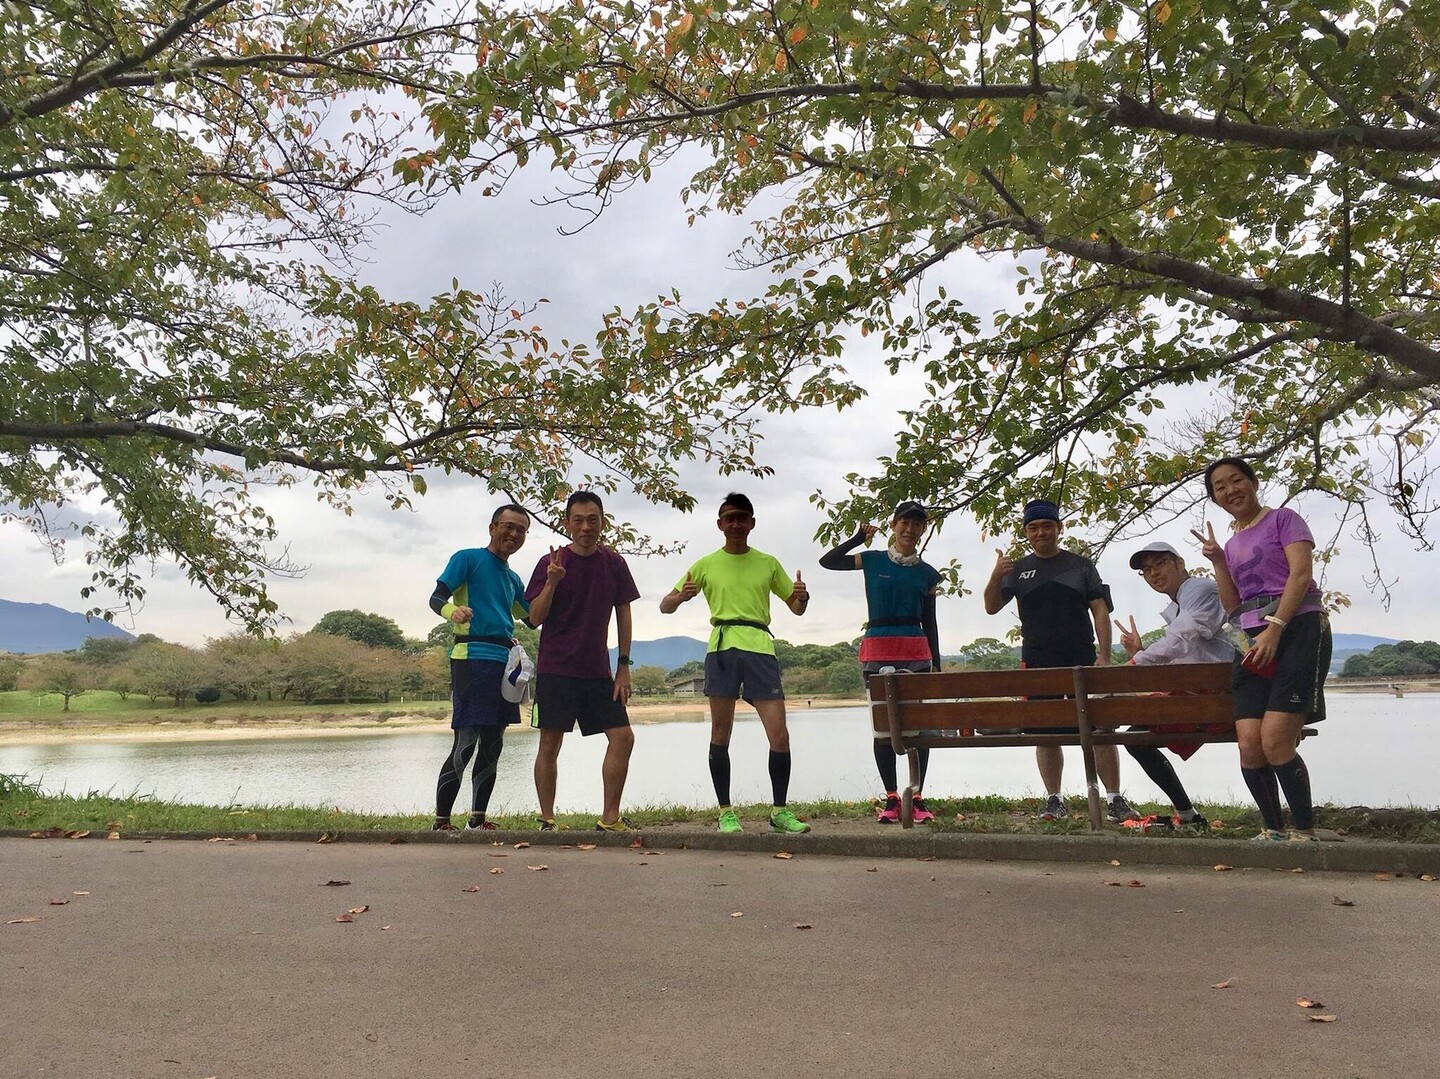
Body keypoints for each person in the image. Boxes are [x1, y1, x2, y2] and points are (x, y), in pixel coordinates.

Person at [1193, 457, 1331, 842]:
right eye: (1220, 487)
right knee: (1250, 744)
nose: (1230, 490)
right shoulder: (1234, 542)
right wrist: (1220, 561)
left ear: (1253, 482)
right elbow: (1232, 607)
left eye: (1237, 480)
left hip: (1296, 627)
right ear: (1215, 498)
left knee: (1275, 739)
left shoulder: (1285, 520)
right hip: (1248, 638)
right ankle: (1273, 831)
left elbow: (1301, 575)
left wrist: (1276, 628)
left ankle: (1305, 831)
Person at [659, 492, 812, 835]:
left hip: (760, 647)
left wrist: (802, 596)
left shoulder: (768, 563)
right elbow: (665, 606)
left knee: (780, 734)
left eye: (742, 518)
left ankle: (780, 811)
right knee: (720, 734)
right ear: (720, 524)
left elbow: (796, 607)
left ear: (752, 523)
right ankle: (726, 812)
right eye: (730, 518)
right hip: (722, 648)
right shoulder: (706, 564)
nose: (736, 524)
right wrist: (681, 597)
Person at [982, 498, 1139, 823]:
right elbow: (991, 607)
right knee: (1045, 732)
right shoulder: (1019, 569)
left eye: (1047, 526)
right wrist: (996, 575)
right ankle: (1054, 800)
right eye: (1034, 528)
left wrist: (1105, 656)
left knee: (1100, 729)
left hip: (1081, 659)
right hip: (1037, 663)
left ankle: (1113, 800)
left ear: (1059, 528)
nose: (1040, 532)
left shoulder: (1081, 566)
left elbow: (1099, 611)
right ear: (1026, 532)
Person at [820, 500, 942, 823]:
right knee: (883, 729)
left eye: (917, 525)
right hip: (877, 652)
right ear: (893, 524)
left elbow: (929, 623)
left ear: (923, 530)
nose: (910, 529)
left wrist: (938, 666)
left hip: (916, 654)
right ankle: (891, 797)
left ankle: (916, 797)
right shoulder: (872, 560)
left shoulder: (928, 574)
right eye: (905, 522)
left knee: (917, 728)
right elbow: (828, 561)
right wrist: (859, 538)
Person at [525, 491, 640, 833]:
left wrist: (624, 666)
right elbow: (534, 617)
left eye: (593, 520)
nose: (586, 527)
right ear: (567, 523)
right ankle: (547, 819)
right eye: (578, 520)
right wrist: (553, 582)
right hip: (555, 669)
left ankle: (610, 818)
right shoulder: (552, 562)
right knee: (550, 742)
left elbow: (624, 612)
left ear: (603, 522)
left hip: (598, 671)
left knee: (623, 738)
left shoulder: (614, 562)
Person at [1113, 540, 1238, 830]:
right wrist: (1139, 652)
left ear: (1180, 563)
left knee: (1133, 735)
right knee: (1135, 735)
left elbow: (1181, 638)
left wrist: (1137, 662)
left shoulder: (1199, 590)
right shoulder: (1181, 603)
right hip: (1207, 696)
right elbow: (1186, 655)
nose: (1154, 573)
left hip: (1219, 698)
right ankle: (1187, 814)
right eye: (1146, 570)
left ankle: (1187, 814)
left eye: (1160, 564)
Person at [428, 504, 533, 831]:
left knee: (494, 741)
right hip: (471, 656)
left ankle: (478, 819)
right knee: (467, 739)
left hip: (504, 664)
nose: (513, 534)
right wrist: (452, 612)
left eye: (521, 530)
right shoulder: (468, 558)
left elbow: (532, 618)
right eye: (508, 526)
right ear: (492, 528)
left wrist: (557, 584)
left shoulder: (514, 579)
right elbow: (436, 597)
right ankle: (442, 821)